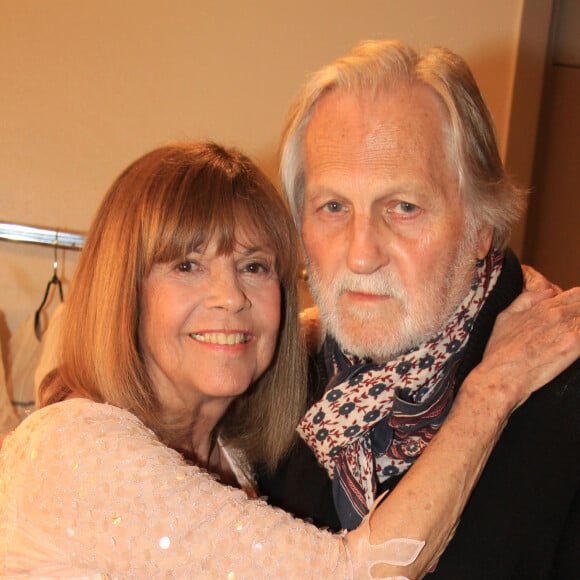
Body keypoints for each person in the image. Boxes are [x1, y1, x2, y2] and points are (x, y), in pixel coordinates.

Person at [0, 141, 576, 579]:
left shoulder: (236, 458)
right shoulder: (75, 446)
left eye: (254, 266)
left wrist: (448, 302)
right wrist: (493, 387)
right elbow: (360, 573)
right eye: (186, 265)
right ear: (123, 290)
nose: (232, 297)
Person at [260, 40, 580, 578]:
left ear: (483, 225)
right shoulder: (274, 387)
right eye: (333, 207)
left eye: (404, 208)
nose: (361, 256)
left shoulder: (566, 400)